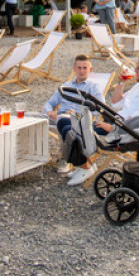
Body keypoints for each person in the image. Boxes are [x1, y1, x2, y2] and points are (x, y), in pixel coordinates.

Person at [43, 55, 107, 184]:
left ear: (90, 69)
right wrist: (50, 111)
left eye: (85, 68)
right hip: (57, 116)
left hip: (78, 119)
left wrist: (76, 113)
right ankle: (34, 157)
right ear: (74, 69)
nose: (82, 71)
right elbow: (49, 103)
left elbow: (100, 108)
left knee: (65, 124)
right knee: (31, 118)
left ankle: (65, 159)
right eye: (79, 68)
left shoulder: (92, 88)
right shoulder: (66, 85)